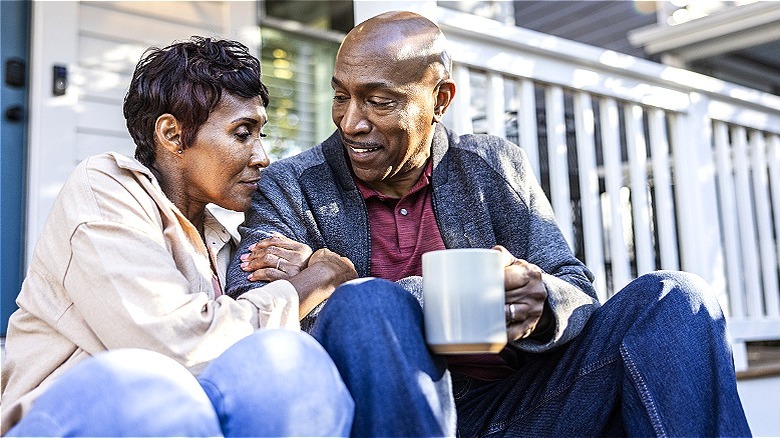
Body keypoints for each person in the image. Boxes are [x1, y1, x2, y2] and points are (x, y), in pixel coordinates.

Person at [226, 11, 752, 437]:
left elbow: (577, 292)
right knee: (366, 305)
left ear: (440, 100)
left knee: (677, 296)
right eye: (341, 94)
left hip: (531, 404)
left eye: (379, 101)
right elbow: (251, 317)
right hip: (394, 410)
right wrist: (365, 296)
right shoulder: (290, 187)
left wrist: (541, 302)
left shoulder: (493, 166)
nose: (350, 120)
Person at [1, 37, 357, 437]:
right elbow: (174, 348)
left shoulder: (224, 243)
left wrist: (301, 269)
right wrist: (316, 279)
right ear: (172, 134)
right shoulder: (103, 188)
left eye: (260, 134)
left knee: (295, 365)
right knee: (155, 386)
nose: (262, 156)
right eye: (243, 133)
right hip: (76, 418)